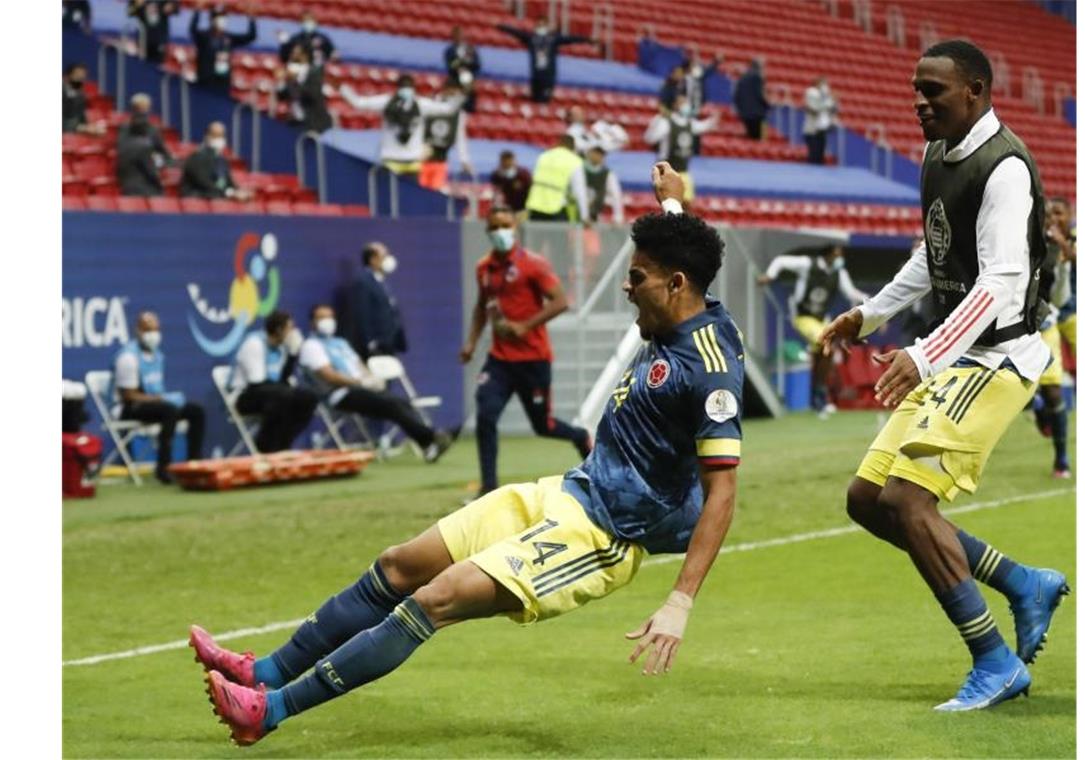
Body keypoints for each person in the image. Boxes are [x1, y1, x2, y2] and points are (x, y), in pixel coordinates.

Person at [191, 162, 745, 748]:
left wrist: (680, 601)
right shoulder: (681, 305)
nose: (626, 287)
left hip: (603, 535)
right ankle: (265, 670)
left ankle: (269, 709)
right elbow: (683, 256)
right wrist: (673, 204)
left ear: (676, 284)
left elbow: (724, 490)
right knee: (401, 564)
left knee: (435, 598)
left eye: (637, 277)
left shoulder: (707, 371)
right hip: (569, 489)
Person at [819, 40, 1069, 711]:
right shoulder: (937, 156)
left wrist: (924, 353)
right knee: (867, 500)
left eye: (935, 91)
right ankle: (1021, 582)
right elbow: (932, 257)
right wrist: (871, 316)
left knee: (907, 499)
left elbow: (1000, 286)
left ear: (978, 92)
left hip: (997, 357)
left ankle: (994, 661)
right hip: (958, 357)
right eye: (916, 89)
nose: (919, 102)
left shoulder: (1005, 169)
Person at [460, 206, 593, 496]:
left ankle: (580, 437)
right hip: (500, 359)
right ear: (487, 231)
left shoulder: (534, 264)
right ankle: (489, 487)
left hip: (533, 359)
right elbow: (481, 308)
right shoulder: (484, 268)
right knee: (486, 414)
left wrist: (525, 326)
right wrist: (471, 342)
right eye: (494, 227)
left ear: (515, 228)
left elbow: (560, 301)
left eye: (505, 225)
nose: (500, 232)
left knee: (542, 425)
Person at [298, 305, 456, 462]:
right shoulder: (311, 346)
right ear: (312, 322)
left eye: (330, 317)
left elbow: (358, 365)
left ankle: (428, 446)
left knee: (401, 402)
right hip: (339, 394)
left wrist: (370, 379)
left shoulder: (340, 343)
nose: (328, 321)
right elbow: (329, 376)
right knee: (391, 405)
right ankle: (433, 437)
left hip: (359, 389)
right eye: (322, 318)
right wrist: (360, 382)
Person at [756, 245, 867, 414]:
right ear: (828, 254)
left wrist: (868, 301)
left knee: (826, 352)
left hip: (822, 319)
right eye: (837, 255)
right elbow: (781, 261)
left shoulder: (840, 273)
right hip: (803, 317)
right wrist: (770, 275)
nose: (839, 259)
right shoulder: (807, 264)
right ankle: (818, 395)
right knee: (826, 343)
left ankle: (818, 396)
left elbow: (851, 293)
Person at [113, 311, 205, 483]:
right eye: (148, 330)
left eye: (156, 330)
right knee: (168, 410)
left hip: (155, 404)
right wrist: (160, 399)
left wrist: (166, 398)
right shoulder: (128, 357)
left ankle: (194, 465)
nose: (153, 335)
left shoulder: (157, 355)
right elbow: (129, 395)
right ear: (138, 331)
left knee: (195, 411)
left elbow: (156, 390)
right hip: (129, 408)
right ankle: (164, 468)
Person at [340, 74, 464, 178]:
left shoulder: (388, 102)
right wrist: (462, 94)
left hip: (397, 159)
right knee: (407, 202)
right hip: (406, 160)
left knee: (392, 201)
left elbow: (358, 102)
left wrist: (342, 88)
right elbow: (448, 109)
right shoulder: (420, 104)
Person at [231, 310, 318, 454]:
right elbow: (256, 383)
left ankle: (284, 444)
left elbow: (283, 380)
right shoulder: (254, 344)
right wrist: (285, 390)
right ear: (279, 330)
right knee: (283, 396)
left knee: (308, 398)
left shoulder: (282, 347)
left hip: (273, 394)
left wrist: (292, 354)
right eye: (290, 329)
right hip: (245, 396)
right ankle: (265, 448)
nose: (293, 333)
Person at [1031, 202, 1075, 478]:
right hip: (1010, 328)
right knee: (1015, 390)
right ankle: (1035, 406)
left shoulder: (1061, 248)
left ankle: (1061, 460)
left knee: (1054, 392)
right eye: (1046, 214)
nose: (1051, 219)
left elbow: (1059, 298)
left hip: (1045, 325)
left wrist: (1063, 266)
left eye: (1058, 213)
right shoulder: (1028, 240)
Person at [495, 18, 595, 103]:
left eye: (543, 25)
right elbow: (516, 32)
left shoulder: (553, 39)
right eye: (539, 25)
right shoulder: (531, 38)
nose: (541, 27)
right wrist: (501, 26)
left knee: (545, 100)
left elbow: (571, 39)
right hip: (536, 75)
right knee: (535, 100)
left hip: (549, 76)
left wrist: (588, 40)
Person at [643, 94, 718, 205]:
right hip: (667, 171)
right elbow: (649, 139)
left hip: (683, 171)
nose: (685, 105)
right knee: (670, 205)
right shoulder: (666, 123)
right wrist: (656, 120)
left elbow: (703, 126)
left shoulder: (689, 123)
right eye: (682, 103)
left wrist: (715, 118)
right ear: (674, 105)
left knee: (687, 204)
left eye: (686, 103)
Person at [348, 242, 407, 360]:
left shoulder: (380, 281)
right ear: (373, 260)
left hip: (388, 343)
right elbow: (362, 314)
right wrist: (370, 343)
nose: (389, 259)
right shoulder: (363, 282)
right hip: (375, 346)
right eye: (385, 256)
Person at [418, 82, 474, 190]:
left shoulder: (459, 112)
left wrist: (464, 160)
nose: (454, 95)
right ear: (445, 89)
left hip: (441, 159)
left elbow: (460, 136)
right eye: (452, 91)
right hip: (423, 157)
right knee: (418, 190)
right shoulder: (429, 103)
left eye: (457, 93)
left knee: (435, 193)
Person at [190, 5, 257, 94]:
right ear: (212, 20)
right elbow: (193, 30)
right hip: (206, 79)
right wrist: (197, 12)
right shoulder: (204, 36)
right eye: (218, 17)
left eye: (223, 18)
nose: (222, 21)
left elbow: (250, 36)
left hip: (223, 80)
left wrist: (251, 19)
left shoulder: (228, 38)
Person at [524, 134, 590, 223]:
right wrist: (584, 216)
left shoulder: (544, 156)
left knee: (536, 236)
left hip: (535, 205)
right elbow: (579, 191)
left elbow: (534, 179)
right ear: (573, 147)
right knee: (558, 236)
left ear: (559, 143)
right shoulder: (574, 161)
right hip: (557, 206)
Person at [180, 122, 252, 200]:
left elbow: (228, 182)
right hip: (198, 201)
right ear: (207, 137)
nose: (219, 139)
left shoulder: (222, 160)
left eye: (222, 135)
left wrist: (238, 191)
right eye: (215, 135)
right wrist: (229, 193)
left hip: (219, 200)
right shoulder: (195, 159)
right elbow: (205, 184)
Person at [276, 46, 333, 134]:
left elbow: (310, 95)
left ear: (305, 56)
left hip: (314, 124)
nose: (293, 56)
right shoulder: (291, 73)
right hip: (294, 123)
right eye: (293, 53)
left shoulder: (314, 73)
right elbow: (281, 96)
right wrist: (281, 81)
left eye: (297, 54)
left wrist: (295, 80)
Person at [1048, 197, 1076, 360]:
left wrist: (1062, 243)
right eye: (1051, 214)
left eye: (1059, 213)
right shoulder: (1043, 237)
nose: (1055, 219)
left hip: (1071, 309)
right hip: (1047, 311)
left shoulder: (1076, 236)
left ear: (1070, 214)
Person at [117, 93, 173, 167]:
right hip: (140, 168)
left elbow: (163, 152)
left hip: (134, 168)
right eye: (141, 108)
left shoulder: (124, 127)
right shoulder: (125, 128)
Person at [116, 115, 165, 197]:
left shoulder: (124, 145)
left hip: (126, 188)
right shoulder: (145, 146)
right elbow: (151, 171)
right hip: (142, 190)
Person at [581, 146, 624, 224]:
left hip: (596, 213)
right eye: (596, 153)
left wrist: (618, 216)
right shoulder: (580, 170)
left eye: (601, 155)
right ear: (589, 154)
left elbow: (616, 194)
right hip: (578, 212)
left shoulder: (608, 174)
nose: (599, 157)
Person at [443, 25, 481, 113]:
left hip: (468, 78)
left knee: (470, 95)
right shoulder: (450, 50)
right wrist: (459, 66)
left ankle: (469, 110)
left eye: (460, 34)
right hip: (454, 79)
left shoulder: (470, 49)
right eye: (456, 35)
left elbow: (477, 64)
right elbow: (450, 65)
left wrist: (467, 67)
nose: (459, 37)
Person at [803, 76, 838, 165]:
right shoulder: (811, 93)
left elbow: (833, 111)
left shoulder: (826, 97)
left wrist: (834, 102)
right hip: (812, 131)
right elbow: (813, 110)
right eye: (822, 84)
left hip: (821, 132)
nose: (825, 86)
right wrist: (826, 105)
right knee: (813, 157)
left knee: (820, 158)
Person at [63, 63, 105, 136]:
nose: (81, 79)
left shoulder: (80, 95)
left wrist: (89, 126)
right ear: (67, 77)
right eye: (77, 76)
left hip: (75, 132)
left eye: (83, 77)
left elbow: (81, 117)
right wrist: (80, 128)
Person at [733, 57, 769, 140]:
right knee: (763, 139)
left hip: (745, 114)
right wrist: (768, 105)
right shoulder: (758, 77)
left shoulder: (742, 78)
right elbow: (761, 95)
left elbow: (736, 97)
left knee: (751, 140)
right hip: (758, 115)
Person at [489, 150, 532, 215]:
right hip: (507, 208)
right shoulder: (497, 175)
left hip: (522, 207)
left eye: (509, 161)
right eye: (504, 162)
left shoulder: (523, 174)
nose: (507, 164)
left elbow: (530, 187)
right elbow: (496, 188)